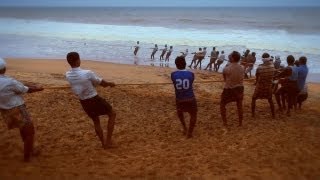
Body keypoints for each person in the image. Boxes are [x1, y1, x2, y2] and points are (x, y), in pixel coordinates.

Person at [65, 52, 116, 148]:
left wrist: (93, 84)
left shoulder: (68, 74)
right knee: (112, 114)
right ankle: (108, 142)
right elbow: (102, 83)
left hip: (83, 102)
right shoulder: (87, 73)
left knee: (96, 121)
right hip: (94, 99)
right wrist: (110, 84)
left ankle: (103, 143)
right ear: (77, 61)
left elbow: (86, 83)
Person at [0, 58, 43, 162]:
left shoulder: (10, 82)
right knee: (30, 132)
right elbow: (25, 90)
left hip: (4, 110)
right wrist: (39, 88)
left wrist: (28, 85)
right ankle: (28, 156)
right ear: (4, 68)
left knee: (22, 128)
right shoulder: (9, 82)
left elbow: (19, 87)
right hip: (17, 108)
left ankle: (30, 150)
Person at [171, 56, 197, 138]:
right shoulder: (191, 74)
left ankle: (185, 128)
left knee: (180, 112)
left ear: (176, 65)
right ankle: (190, 133)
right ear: (185, 64)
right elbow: (191, 82)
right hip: (190, 98)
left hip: (179, 99)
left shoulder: (173, 75)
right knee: (193, 114)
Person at [220, 51, 244, 126]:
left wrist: (228, 64)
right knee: (239, 105)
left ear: (233, 58)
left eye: (230, 55)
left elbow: (224, 76)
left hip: (229, 90)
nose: (229, 56)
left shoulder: (227, 68)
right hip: (240, 89)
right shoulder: (242, 67)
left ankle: (225, 123)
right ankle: (240, 123)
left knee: (222, 104)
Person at [251, 53, 275, 118]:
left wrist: (256, 82)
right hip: (269, 87)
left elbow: (257, 77)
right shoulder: (273, 67)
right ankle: (273, 115)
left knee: (254, 98)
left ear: (263, 59)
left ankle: (253, 114)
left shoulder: (260, 67)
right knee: (270, 100)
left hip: (260, 86)